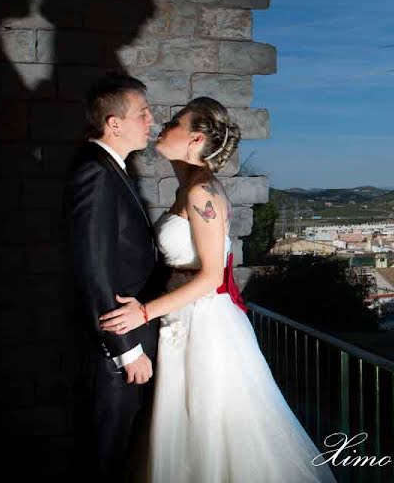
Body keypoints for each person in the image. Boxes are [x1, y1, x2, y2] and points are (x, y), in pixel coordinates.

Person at [99, 97, 338, 482]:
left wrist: (142, 312)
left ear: (194, 139)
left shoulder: (201, 194)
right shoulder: (191, 188)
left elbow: (211, 277)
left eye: (175, 121)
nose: (163, 124)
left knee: (209, 436)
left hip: (204, 327)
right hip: (187, 320)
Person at [63, 74, 161, 480]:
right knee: (108, 454)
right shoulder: (96, 173)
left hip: (129, 337)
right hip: (116, 349)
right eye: (143, 113)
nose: (152, 120)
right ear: (114, 123)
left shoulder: (112, 168)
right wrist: (126, 350)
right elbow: (92, 266)